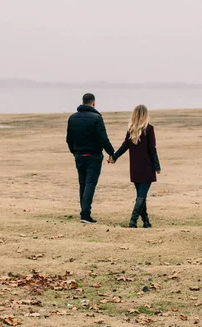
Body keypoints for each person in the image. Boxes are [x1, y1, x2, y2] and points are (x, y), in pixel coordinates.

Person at [66, 93, 115, 224]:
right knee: (90, 183)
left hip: (79, 155)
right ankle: (85, 214)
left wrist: (75, 151)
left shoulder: (72, 118)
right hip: (93, 155)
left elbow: (69, 139)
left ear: (82, 102)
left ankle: (84, 211)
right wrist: (112, 153)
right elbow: (103, 139)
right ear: (93, 103)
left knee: (82, 183)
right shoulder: (97, 118)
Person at [109, 105, 161, 228]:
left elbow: (124, 147)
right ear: (145, 115)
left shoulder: (131, 130)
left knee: (140, 196)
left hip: (135, 168)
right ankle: (133, 221)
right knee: (141, 196)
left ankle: (146, 222)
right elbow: (152, 149)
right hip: (146, 167)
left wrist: (114, 157)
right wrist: (157, 166)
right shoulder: (149, 129)